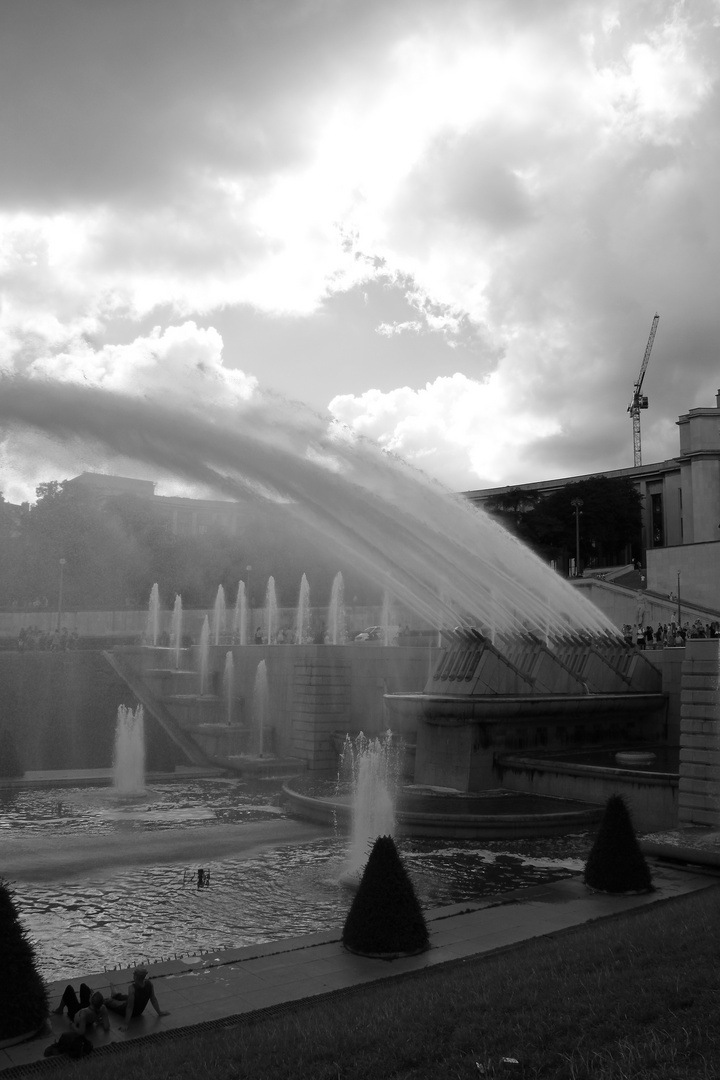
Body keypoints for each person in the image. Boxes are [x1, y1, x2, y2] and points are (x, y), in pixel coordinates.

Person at [104, 967, 169, 1030]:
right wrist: (159, 1012)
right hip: (139, 1011)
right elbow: (153, 999)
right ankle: (115, 995)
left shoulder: (132, 988)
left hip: (130, 1012)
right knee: (128, 997)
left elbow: (129, 1007)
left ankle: (111, 998)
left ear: (135, 977)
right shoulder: (149, 984)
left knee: (109, 1002)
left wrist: (126, 1024)